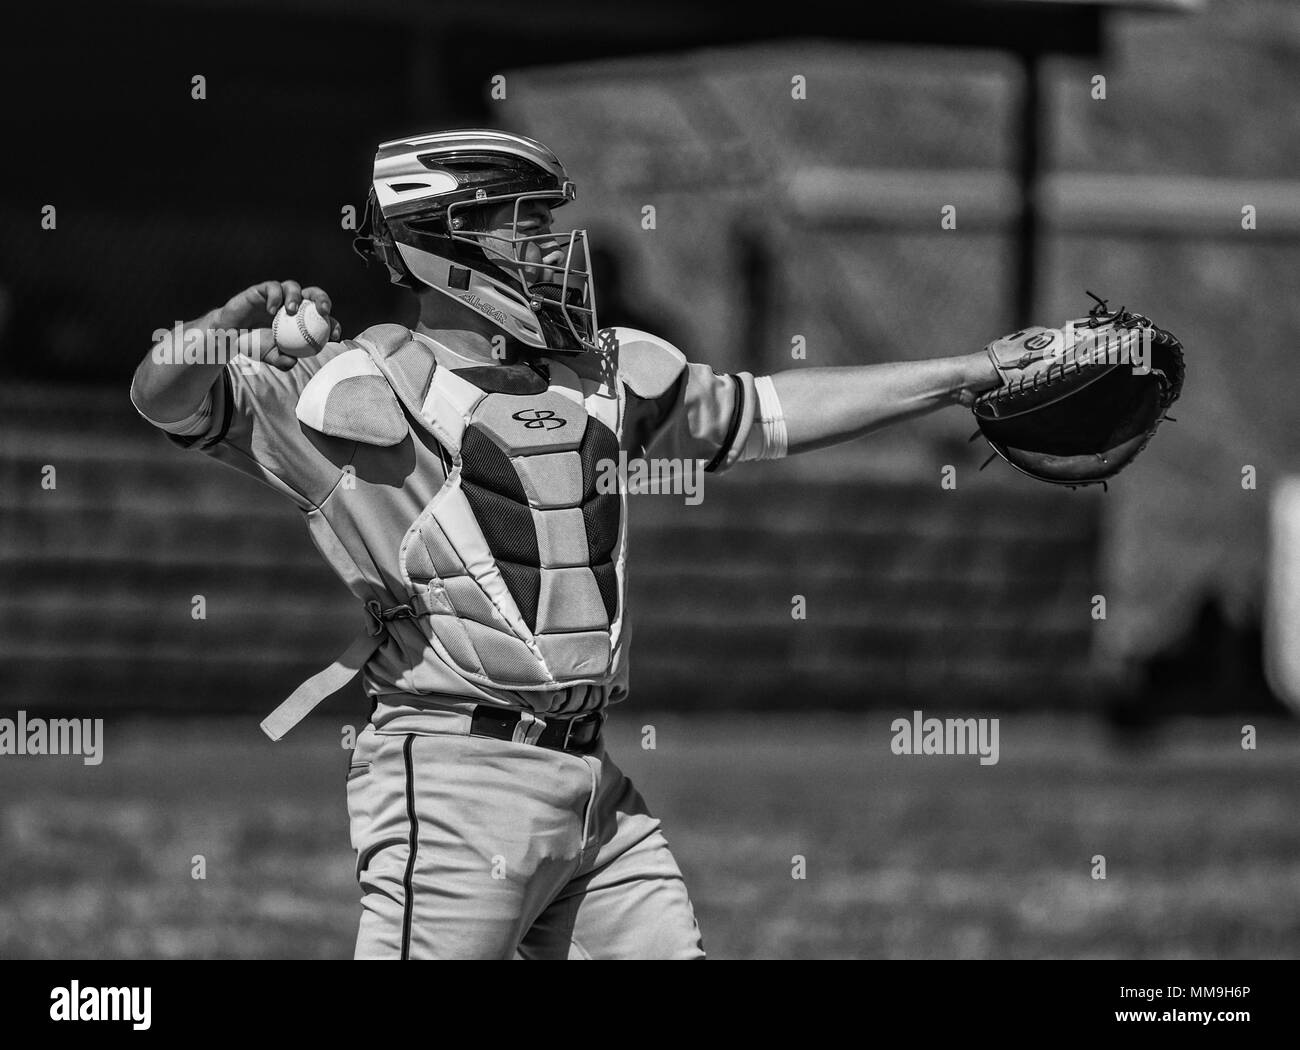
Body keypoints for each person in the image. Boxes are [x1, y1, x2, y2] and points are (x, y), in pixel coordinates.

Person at [130, 129, 1003, 959]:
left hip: (593, 789)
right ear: (448, 237)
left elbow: (772, 412)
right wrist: (219, 326)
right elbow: (164, 400)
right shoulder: (348, 389)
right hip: (451, 781)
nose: (553, 248)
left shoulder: (602, 377)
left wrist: (968, 375)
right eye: (527, 226)